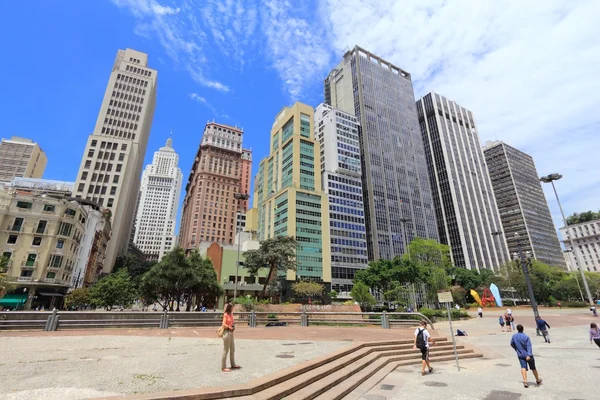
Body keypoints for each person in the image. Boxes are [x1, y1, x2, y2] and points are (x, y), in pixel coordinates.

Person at [510, 324, 542, 388]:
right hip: (528, 355)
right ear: (523, 329)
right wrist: (529, 355)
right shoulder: (526, 337)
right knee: (533, 368)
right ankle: (537, 379)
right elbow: (529, 346)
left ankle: (525, 381)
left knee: (523, 367)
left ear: (517, 329)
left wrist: (516, 349)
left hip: (520, 355)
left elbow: (511, 344)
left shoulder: (514, 336)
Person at [221, 303, 241, 372]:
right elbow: (223, 324)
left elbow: (232, 323)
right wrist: (229, 327)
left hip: (231, 333)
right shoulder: (225, 314)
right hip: (227, 333)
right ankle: (223, 367)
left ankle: (233, 364)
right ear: (230, 307)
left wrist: (233, 326)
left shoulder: (231, 314)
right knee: (225, 350)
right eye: (232, 307)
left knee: (232, 349)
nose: (233, 308)